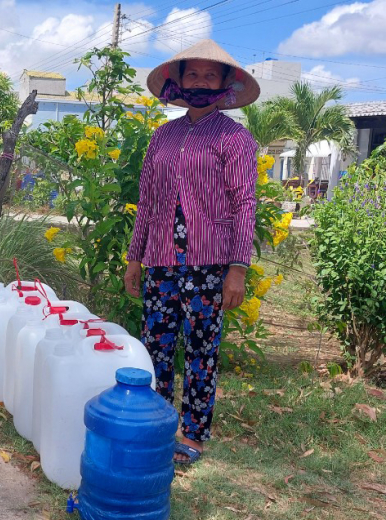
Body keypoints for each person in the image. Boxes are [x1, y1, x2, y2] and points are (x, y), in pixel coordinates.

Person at [123, 40, 260, 465]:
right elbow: (146, 201)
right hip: (161, 260)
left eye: (210, 75)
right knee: (156, 347)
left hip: (209, 263)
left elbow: (244, 205)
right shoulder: (162, 137)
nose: (200, 81)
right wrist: (134, 258)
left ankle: (194, 434)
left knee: (202, 350)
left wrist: (237, 270)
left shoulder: (235, 139)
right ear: (178, 82)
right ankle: (158, 425)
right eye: (193, 74)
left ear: (224, 83)